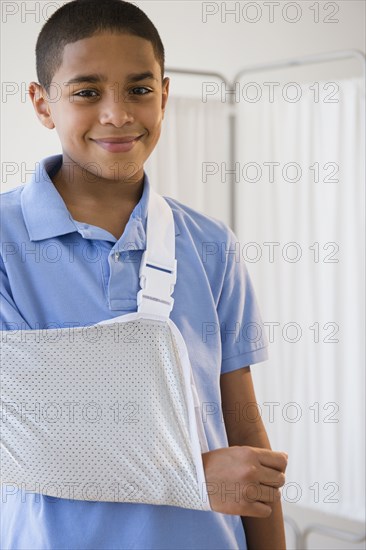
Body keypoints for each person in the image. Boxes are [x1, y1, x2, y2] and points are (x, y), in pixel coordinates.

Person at [0, 0, 288, 548]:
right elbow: (17, 442)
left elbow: (244, 431)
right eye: (86, 92)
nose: (118, 114)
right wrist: (191, 478)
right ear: (42, 104)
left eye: (139, 89)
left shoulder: (210, 246)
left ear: (165, 95)